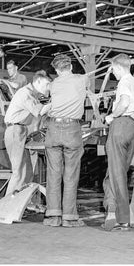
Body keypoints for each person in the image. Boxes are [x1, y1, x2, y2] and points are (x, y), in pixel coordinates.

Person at [43, 54, 89, 228]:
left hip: (53, 128)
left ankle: (53, 217)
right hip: (72, 129)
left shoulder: (53, 84)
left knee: (53, 174)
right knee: (70, 175)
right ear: (71, 66)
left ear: (56, 70)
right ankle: (69, 218)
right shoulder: (81, 79)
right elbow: (88, 85)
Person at [102, 53, 134, 231]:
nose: (113, 73)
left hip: (120, 125)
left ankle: (120, 217)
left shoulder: (124, 82)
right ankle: (120, 213)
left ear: (119, 67)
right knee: (117, 172)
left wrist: (111, 116)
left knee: (115, 174)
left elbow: (124, 102)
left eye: (113, 69)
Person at [4, 72, 51, 195]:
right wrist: (56, 102)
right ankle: (8, 205)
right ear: (38, 81)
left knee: (28, 171)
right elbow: (40, 111)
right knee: (18, 171)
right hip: (15, 131)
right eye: (47, 84)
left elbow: (44, 104)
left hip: (21, 131)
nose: (48, 88)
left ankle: (23, 201)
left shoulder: (34, 94)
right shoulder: (26, 93)